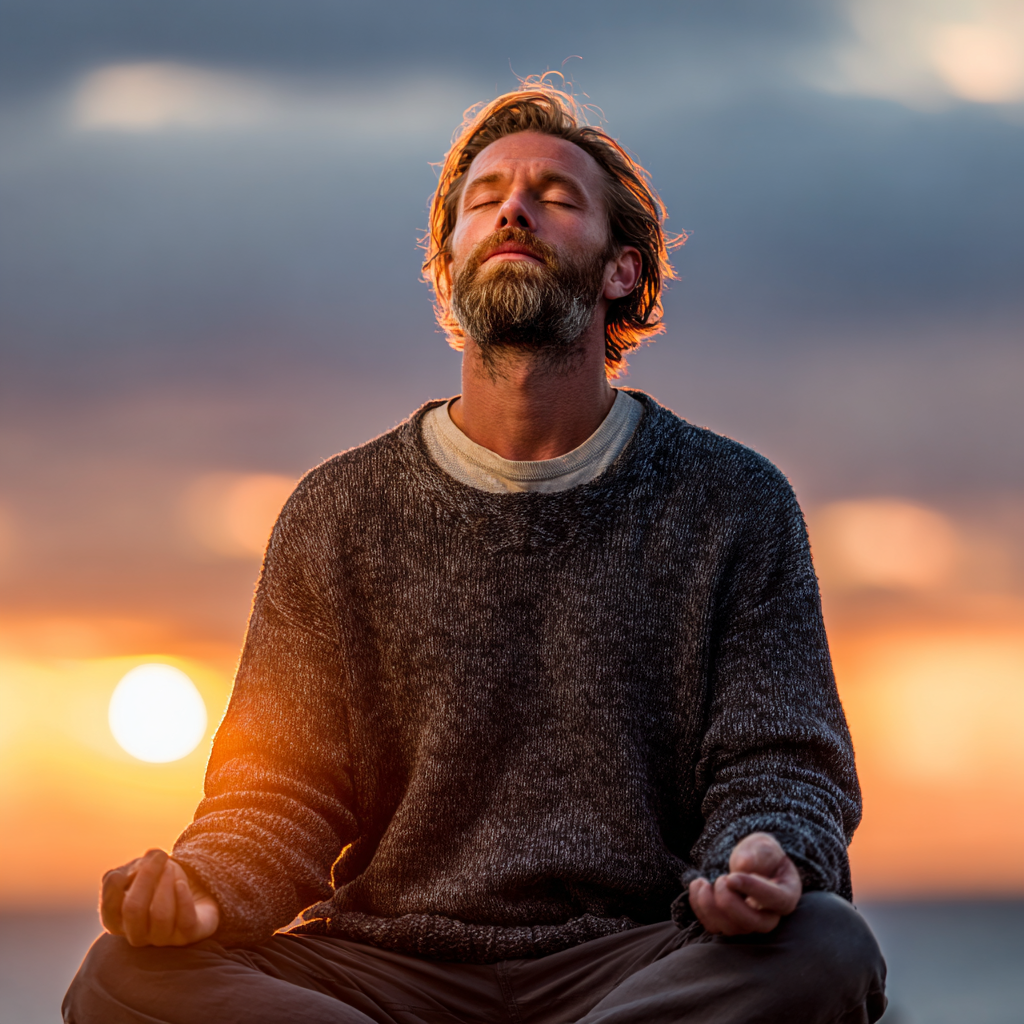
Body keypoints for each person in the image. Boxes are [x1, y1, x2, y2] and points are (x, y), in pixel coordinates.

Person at [64, 81, 887, 1024]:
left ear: (622, 271)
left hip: (634, 962)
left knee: (828, 946)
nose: (515, 209)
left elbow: (781, 764)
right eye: (485, 197)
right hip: (387, 971)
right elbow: (278, 796)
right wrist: (199, 887)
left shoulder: (734, 504)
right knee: (121, 978)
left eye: (556, 196)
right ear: (448, 267)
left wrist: (763, 851)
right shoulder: (338, 514)